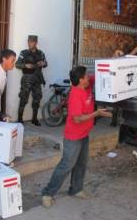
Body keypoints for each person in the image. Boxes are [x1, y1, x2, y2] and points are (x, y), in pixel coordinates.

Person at [41, 66, 112, 209]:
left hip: (84, 134)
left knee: (81, 164)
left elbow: (103, 71)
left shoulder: (87, 83)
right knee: (66, 165)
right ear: (80, 80)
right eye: (86, 76)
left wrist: (115, 59)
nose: (89, 77)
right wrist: (96, 114)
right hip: (73, 137)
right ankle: (47, 194)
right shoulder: (75, 95)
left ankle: (76, 189)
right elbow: (78, 119)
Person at [16, 35, 47, 126]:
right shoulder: (24, 53)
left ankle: (34, 119)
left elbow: (46, 63)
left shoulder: (41, 53)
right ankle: (19, 119)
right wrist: (25, 66)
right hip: (27, 78)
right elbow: (17, 64)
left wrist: (43, 63)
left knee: (37, 99)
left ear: (36, 43)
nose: (30, 43)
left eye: (32, 42)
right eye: (29, 41)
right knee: (23, 98)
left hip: (37, 78)